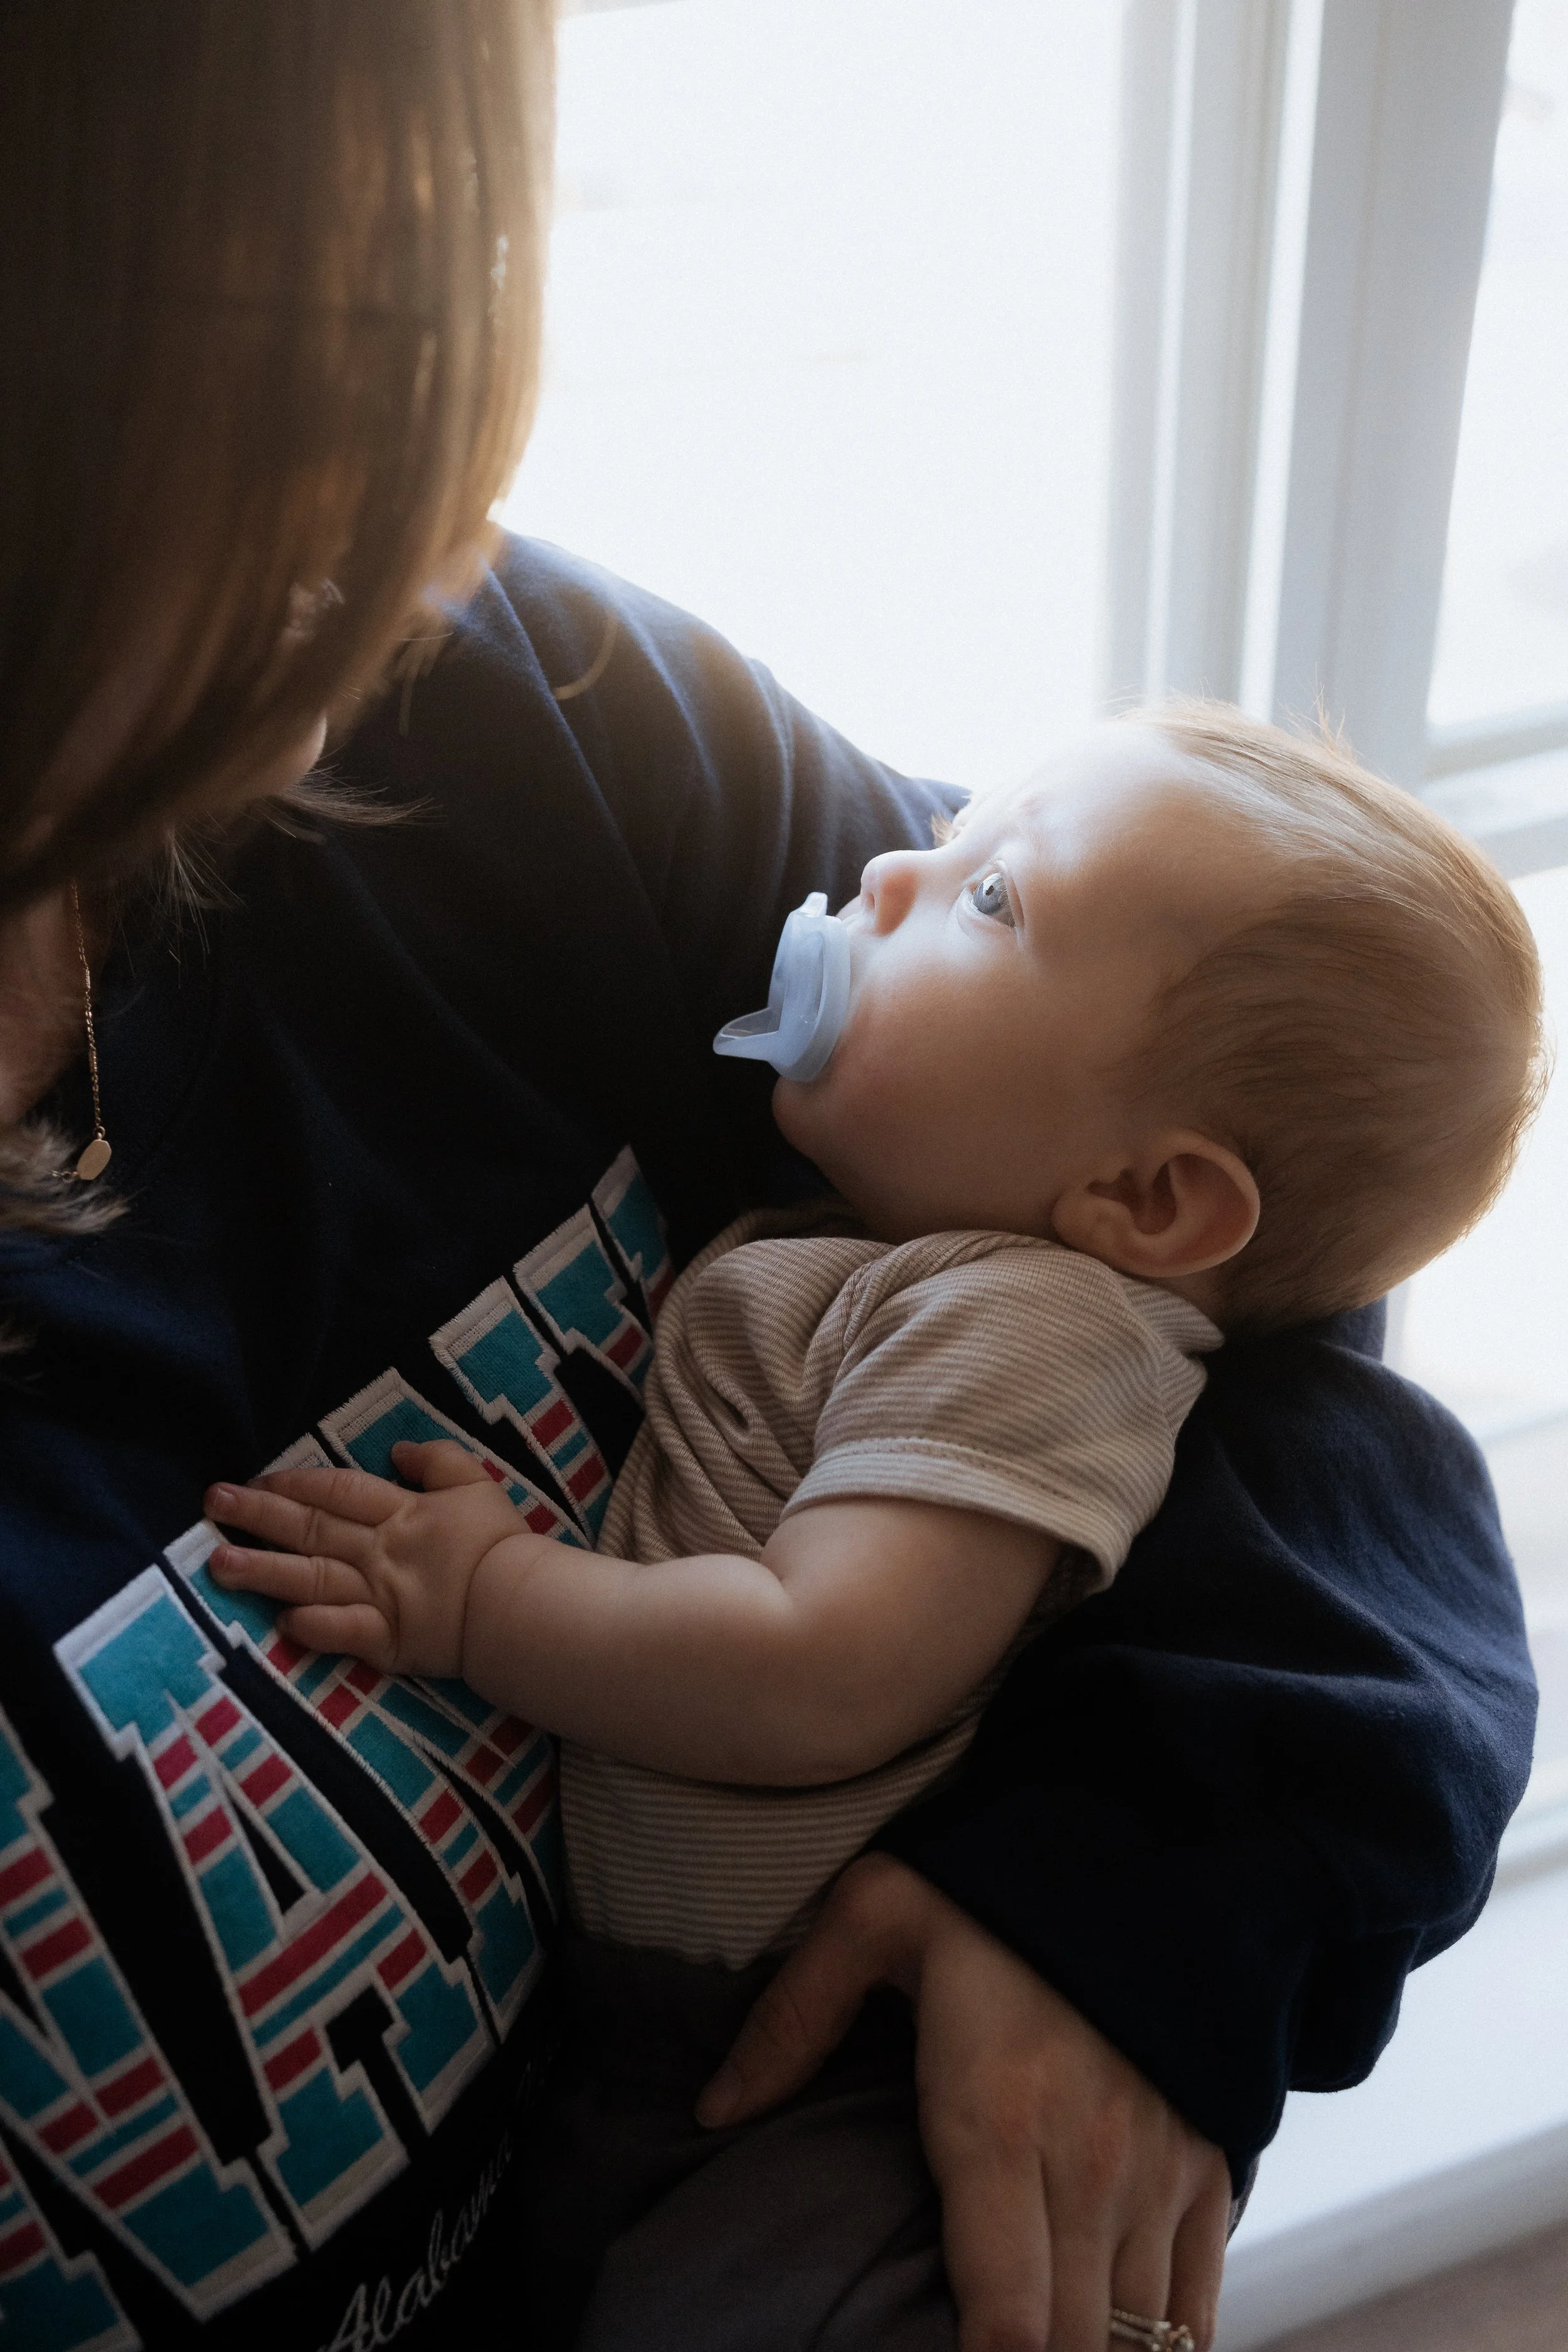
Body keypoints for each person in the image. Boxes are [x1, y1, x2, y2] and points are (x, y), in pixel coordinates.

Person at [0, 8, 1536, 2352]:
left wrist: (1157, 1864)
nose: (429, 570)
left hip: (766, 2148)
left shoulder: (506, 712)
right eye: (309, 428)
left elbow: (1284, 1314)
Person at [201, 706, 1545, 2346]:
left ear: (1149, 1202)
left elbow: (817, 1665)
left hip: (837, 2077)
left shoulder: (1025, 1328)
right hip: (667, 2040)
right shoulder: (918, 1258)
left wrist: (486, 1596)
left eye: (990, 898)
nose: (891, 866)